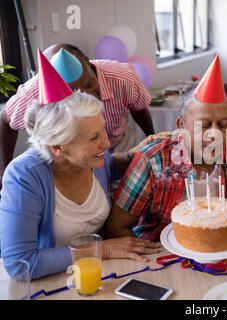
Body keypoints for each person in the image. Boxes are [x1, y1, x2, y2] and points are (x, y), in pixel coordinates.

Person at [0, 51, 161, 280]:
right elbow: (21, 264)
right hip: (46, 285)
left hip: (96, 276)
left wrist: (143, 150)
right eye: (93, 137)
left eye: (103, 129)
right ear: (58, 147)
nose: (106, 143)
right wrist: (103, 249)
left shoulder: (90, 159)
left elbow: (111, 164)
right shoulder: (23, 177)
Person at [105, 56, 227, 241]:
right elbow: (117, 225)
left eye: (223, 124)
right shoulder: (152, 161)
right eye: (204, 125)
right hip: (163, 256)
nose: (214, 134)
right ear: (181, 125)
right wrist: (153, 256)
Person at [0, 43, 155, 189]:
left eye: (89, 84)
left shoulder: (123, 78)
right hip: (69, 155)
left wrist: (151, 138)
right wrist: (3, 171)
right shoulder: (32, 93)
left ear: (88, 63)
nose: (88, 96)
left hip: (118, 140)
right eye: (75, 94)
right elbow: (5, 121)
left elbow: (139, 108)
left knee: (124, 192)